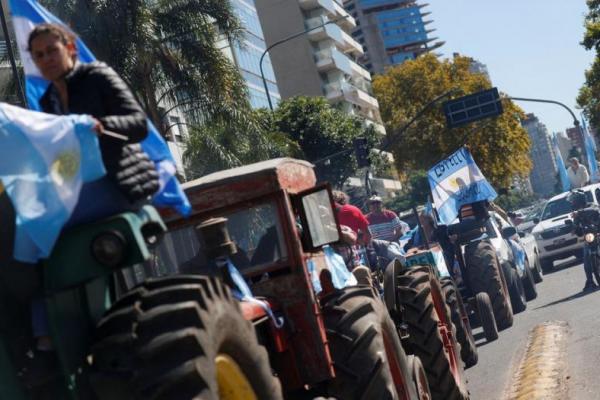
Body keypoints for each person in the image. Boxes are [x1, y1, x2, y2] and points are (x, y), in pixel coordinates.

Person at [15, 23, 159, 384]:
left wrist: (100, 125)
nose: (47, 59)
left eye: (52, 50)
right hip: (79, 189)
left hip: (115, 183)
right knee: (24, 232)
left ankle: (47, 342)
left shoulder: (97, 76)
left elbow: (139, 124)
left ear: (71, 49)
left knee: (34, 230)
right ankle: (41, 335)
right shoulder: (47, 101)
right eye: (39, 55)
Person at [567, 189, 600, 291]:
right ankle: (590, 281)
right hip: (589, 236)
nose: (572, 203)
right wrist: (574, 229)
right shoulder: (576, 214)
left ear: (578, 200)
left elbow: (595, 210)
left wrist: (579, 212)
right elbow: (576, 226)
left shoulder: (592, 205)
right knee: (586, 258)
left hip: (598, 232)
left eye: (573, 201)